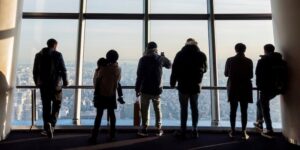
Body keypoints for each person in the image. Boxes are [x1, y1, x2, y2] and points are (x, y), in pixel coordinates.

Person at [170, 38, 207, 138]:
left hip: (183, 85)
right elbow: (205, 69)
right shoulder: (201, 55)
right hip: (195, 85)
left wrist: (172, 83)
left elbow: (174, 70)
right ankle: (194, 129)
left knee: (184, 108)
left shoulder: (180, 54)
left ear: (186, 44)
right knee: (194, 108)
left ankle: (183, 130)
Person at [33, 38, 68, 139]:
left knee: (46, 106)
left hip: (43, 85)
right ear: (55, 45)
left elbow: (35, 71)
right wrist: (65, 81)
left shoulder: (38, 55)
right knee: (57, 105)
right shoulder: (58, 55)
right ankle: (52, 124)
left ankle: (46, 127)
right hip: (55, 85)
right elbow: (63, 69)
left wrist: (37, 82)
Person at [135, 41, 171, 137]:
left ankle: (144, 129)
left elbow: (139, 76)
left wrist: (137, 89)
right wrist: (163, 56)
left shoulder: (142, 59)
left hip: (145, 89)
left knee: (144, 109)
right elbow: (169, 65)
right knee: (157, 109)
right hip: (156, 89)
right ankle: (158, 129)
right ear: (156, 49)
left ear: (147, 49)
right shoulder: (160, 59)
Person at [254, 44, 287, 139]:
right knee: (259, 103)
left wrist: (259, 86)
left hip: (265, 88)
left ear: (265, 50)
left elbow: (258, 75)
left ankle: (269, 129)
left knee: (264, 107)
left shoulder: (262, 61)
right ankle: (260, 122)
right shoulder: (282, 62)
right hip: (277, 88)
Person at [89, 50, 121, 143]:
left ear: (107, 58)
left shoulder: (103, 69)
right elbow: (118, 81)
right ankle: (112, 135)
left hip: (101, 95)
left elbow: (96, 82)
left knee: (99, 116)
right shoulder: (118, 69)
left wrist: (97, 70)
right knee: (112, 115)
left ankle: (94, 136)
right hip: (112, 95)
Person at [224, 43, 253, 140]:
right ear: (245, 50)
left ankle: (232, 131)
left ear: (235, 49)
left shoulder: (230, 60)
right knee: (244, 111)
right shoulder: (249, 61)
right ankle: (244, 131)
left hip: (233, 87)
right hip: (245, 87)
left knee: (233, 110)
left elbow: (226, 74)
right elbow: (251, 75)